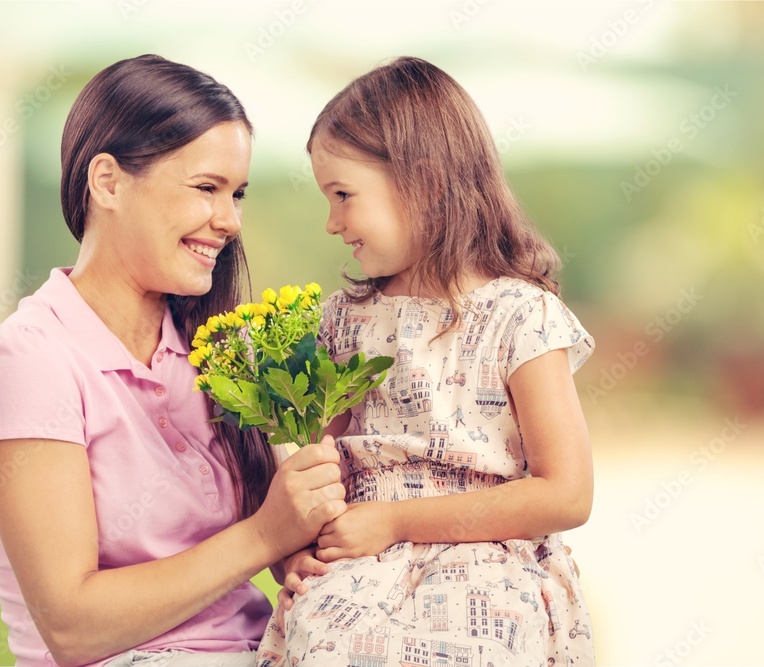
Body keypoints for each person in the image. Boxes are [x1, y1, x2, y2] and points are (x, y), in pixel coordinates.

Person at [0, 54, 346, 667]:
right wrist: (266, 533)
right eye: (206, 188)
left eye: (238, 193)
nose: (229, 221)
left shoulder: (219, 354)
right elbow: (72, 626)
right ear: (108, 182)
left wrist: (296, 546)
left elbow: (278, 543)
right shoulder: (31, 357)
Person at [255, 57, 596, 666]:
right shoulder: (343, 322)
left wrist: (396, 521)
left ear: (426, 185)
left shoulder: (520, 316)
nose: (331, 223)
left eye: (343, 196)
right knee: (327, 642)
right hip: (359, 564)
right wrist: (293, 550)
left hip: (488, 561)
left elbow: (566, 493)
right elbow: (317, 473)